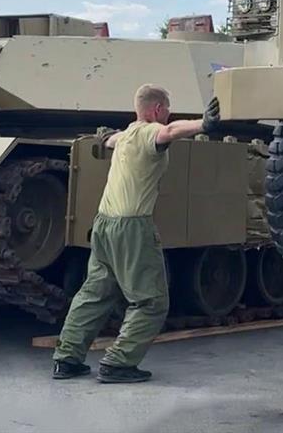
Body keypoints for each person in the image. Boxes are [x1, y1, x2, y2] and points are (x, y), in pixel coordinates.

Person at [51, 85, 219, 384]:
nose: (168, 116)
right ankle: (118, 363)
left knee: (95, 292)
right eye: (166, 110)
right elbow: (170, 132)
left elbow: (110, 139)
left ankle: (67, 359)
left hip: (104, 223)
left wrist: (104, 137)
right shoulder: (148, 133)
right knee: (151, 302)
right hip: (132, 227)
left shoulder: (125, 135)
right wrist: (202, 124)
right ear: (157, 110)